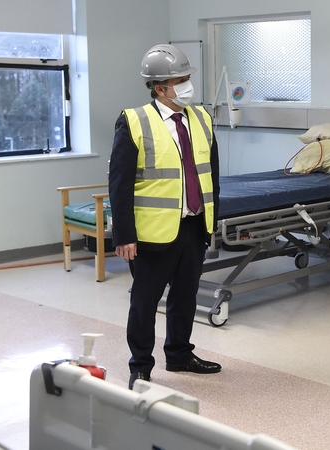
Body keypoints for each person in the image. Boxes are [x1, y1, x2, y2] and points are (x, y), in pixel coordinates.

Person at [109, 44, 222, 389]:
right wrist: (124, 235)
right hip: (152, 234)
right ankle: (141, 364)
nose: (188, 86)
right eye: (181, 81)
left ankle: (179, 354)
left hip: (193, 226)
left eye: (188, 79)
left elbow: (211, 174)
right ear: (160, 88)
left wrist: (211, 222)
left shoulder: (201, 117)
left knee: (186, 296)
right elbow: (119, 183)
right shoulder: (134, 121)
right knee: (144, 302)